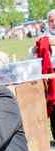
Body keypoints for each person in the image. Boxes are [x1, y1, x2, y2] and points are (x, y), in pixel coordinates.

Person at [33, 10, 55, 140]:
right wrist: (37, 46)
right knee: (53, 105)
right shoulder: (44, 37)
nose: (54, 23)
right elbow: (34, 52)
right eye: (51, 21)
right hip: (51, 74)